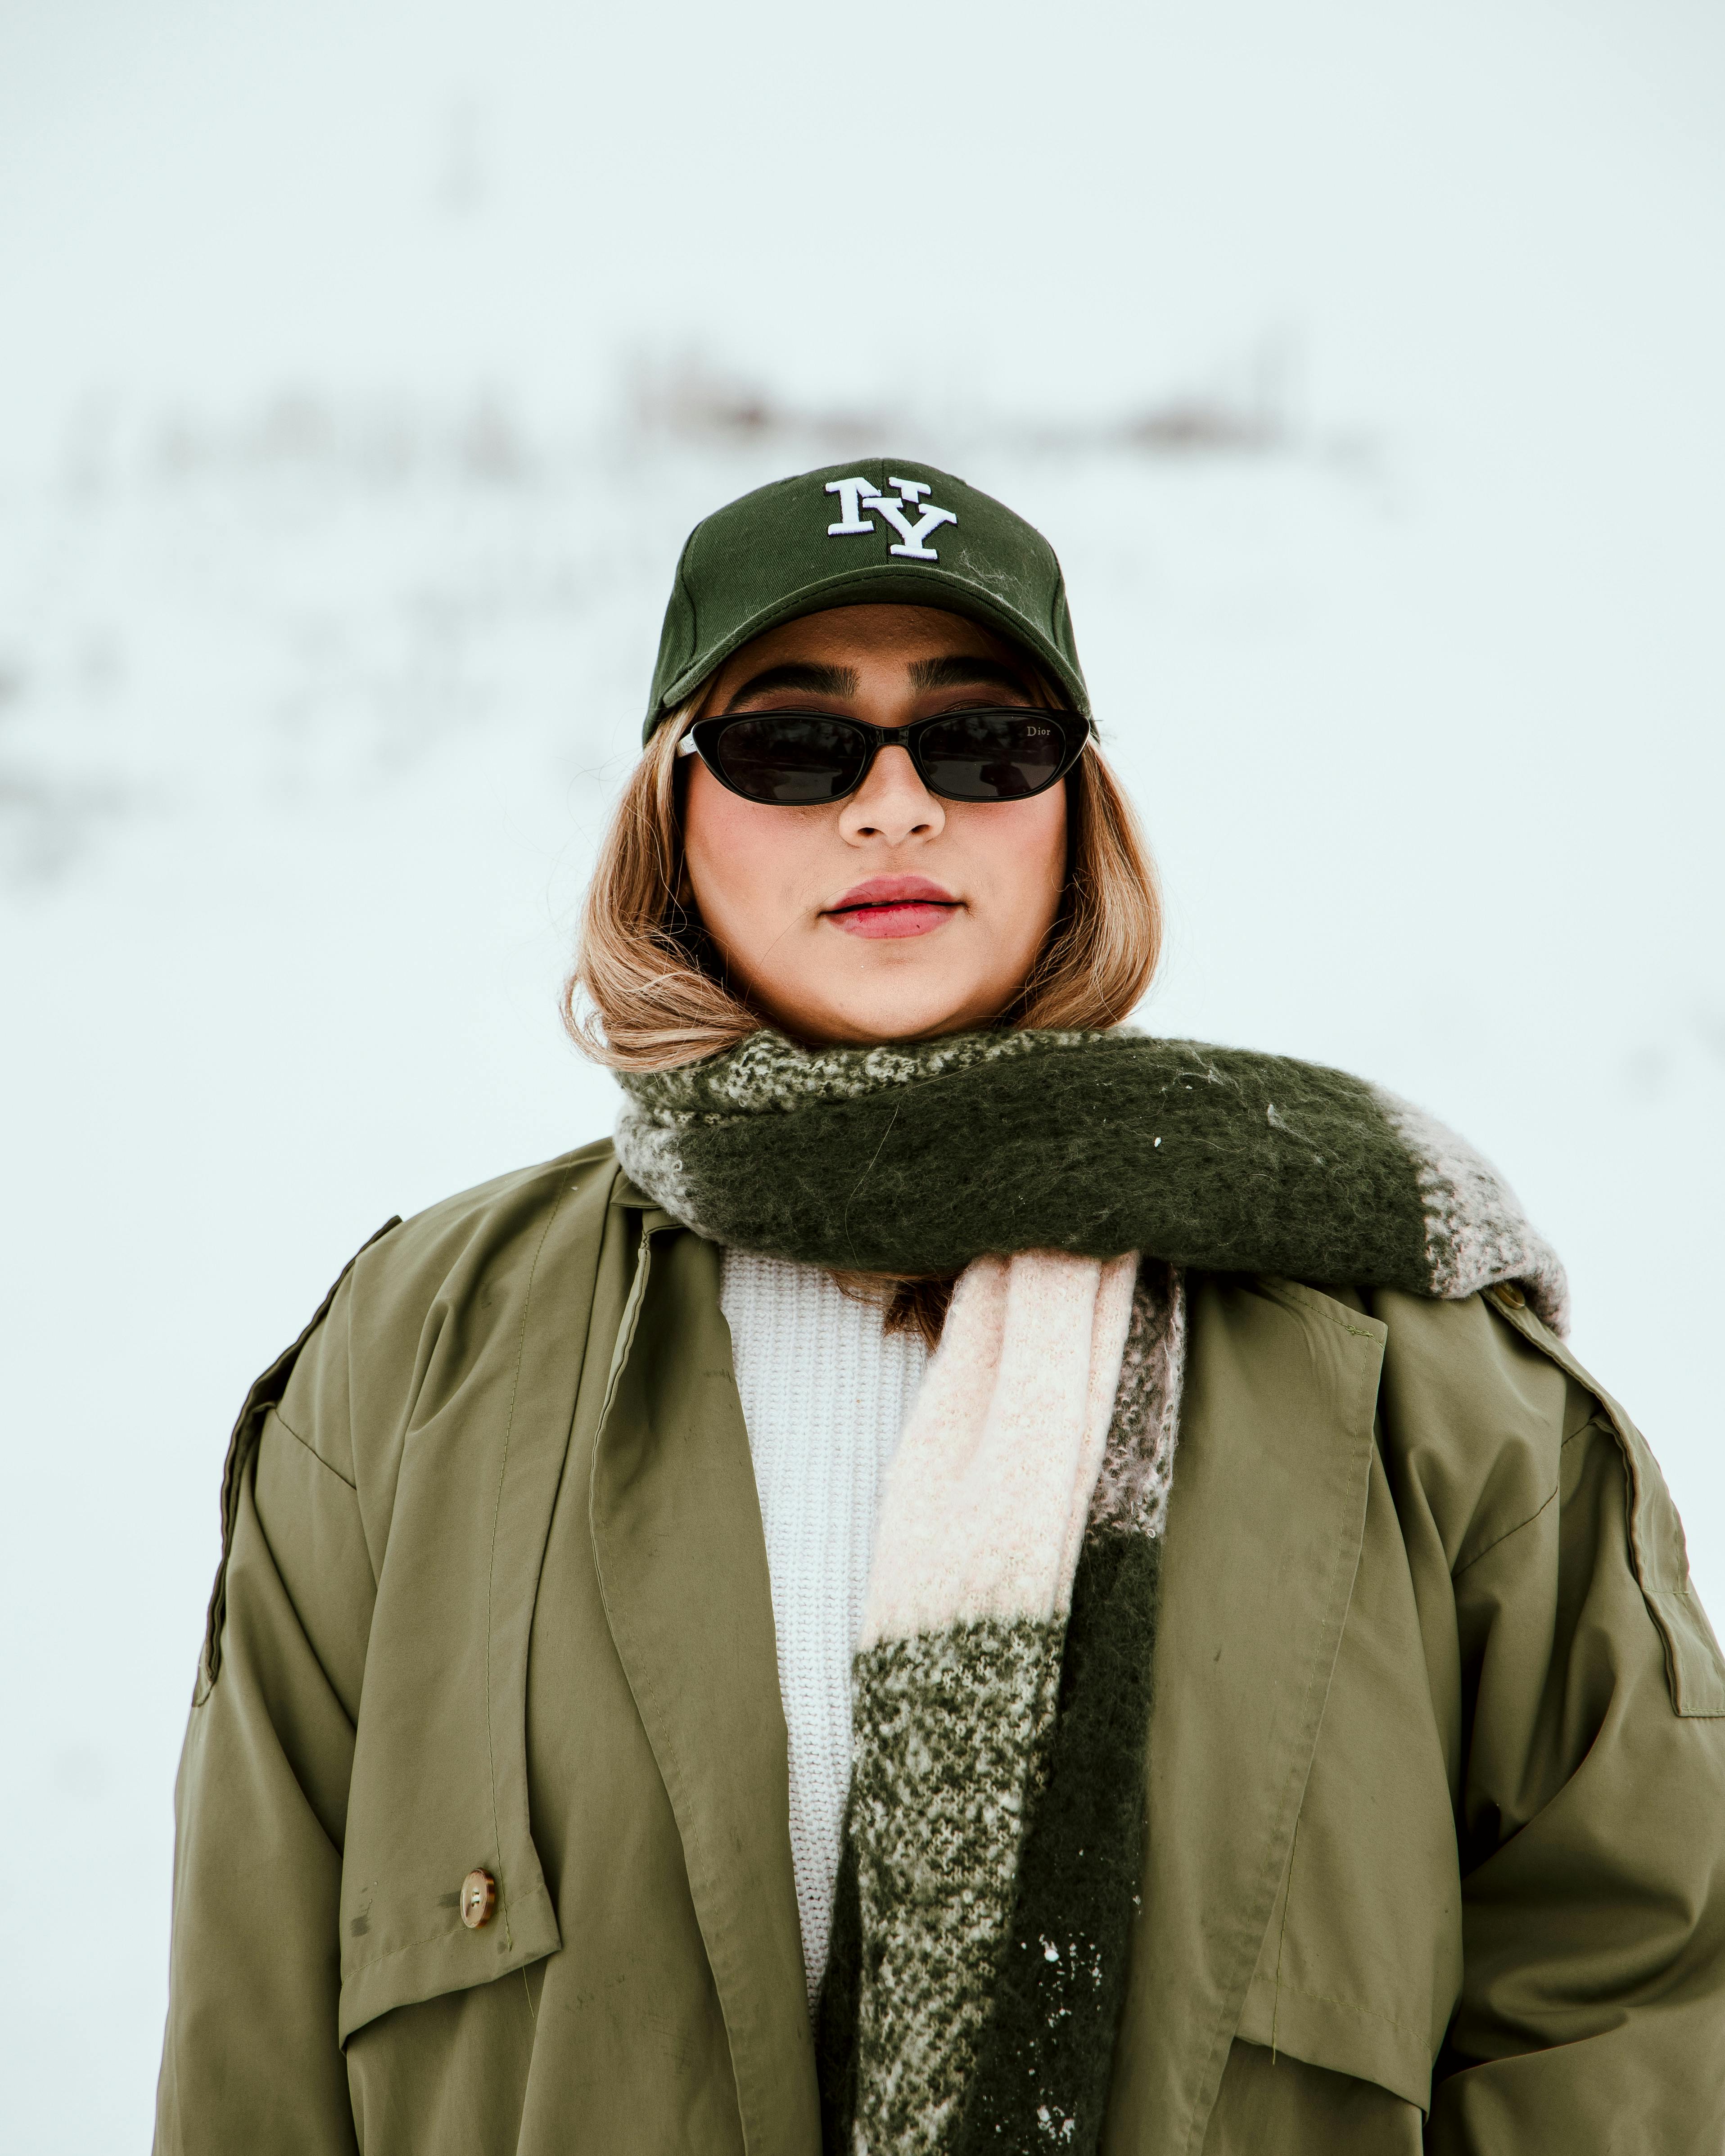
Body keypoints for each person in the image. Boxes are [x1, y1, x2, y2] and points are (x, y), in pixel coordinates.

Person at [154, 461, 1725, 2156]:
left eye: (984, 744)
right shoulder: (409, 1364)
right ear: (669, 818)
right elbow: (256, 2054)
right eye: (795, 746)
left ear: (1076, 811)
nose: (895, 811)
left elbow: (1643, 1990)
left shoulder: (1418, 1364)